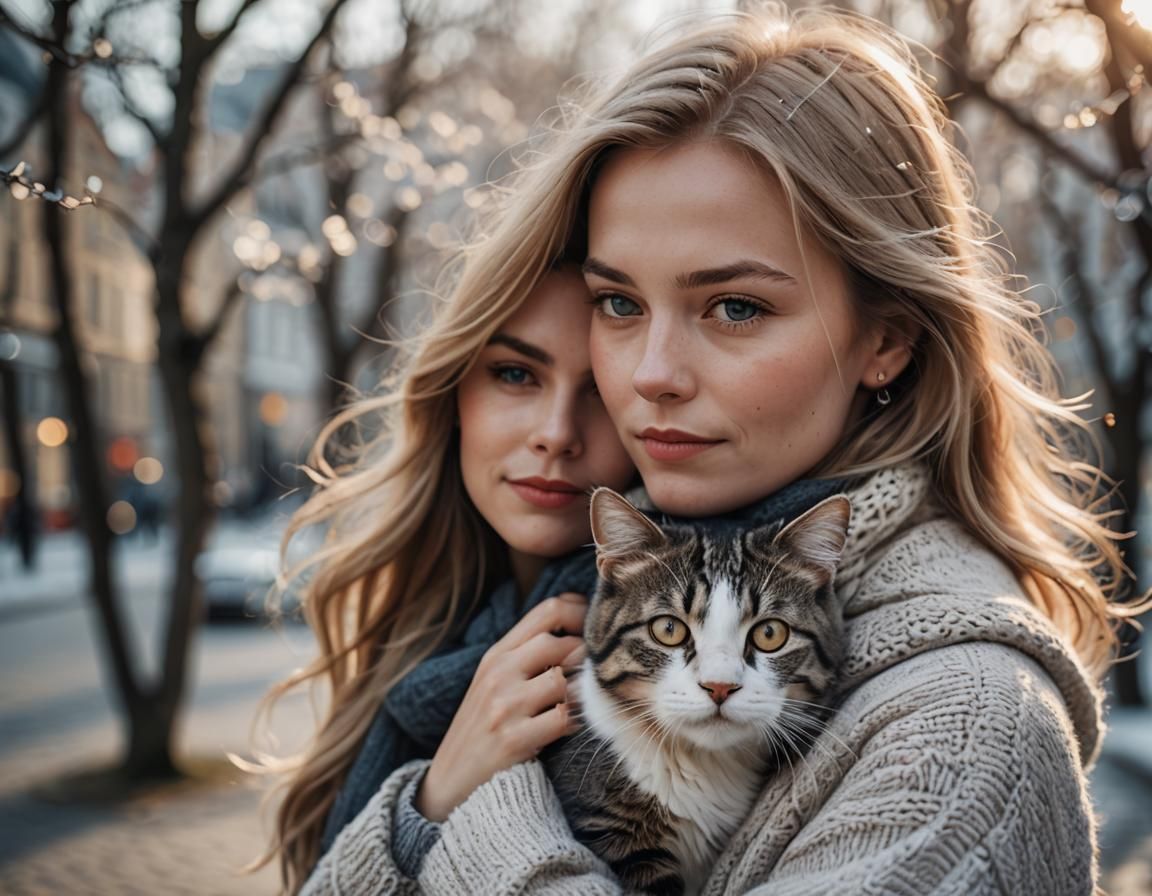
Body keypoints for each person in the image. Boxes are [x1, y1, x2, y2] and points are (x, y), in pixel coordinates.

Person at [278, 6, 1145, 894]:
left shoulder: (965, 731)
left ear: (888, 339)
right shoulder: (539, 611)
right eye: (619, 303)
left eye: (735, 307)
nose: (651, 375)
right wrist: (422, 804)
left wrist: (481, 808)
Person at [256, 264, 635, 891]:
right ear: (454, 393)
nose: (556, 434)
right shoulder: (421, 626)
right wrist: (433, 799)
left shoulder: (676, 651)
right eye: (516, 374)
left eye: (602, 391)